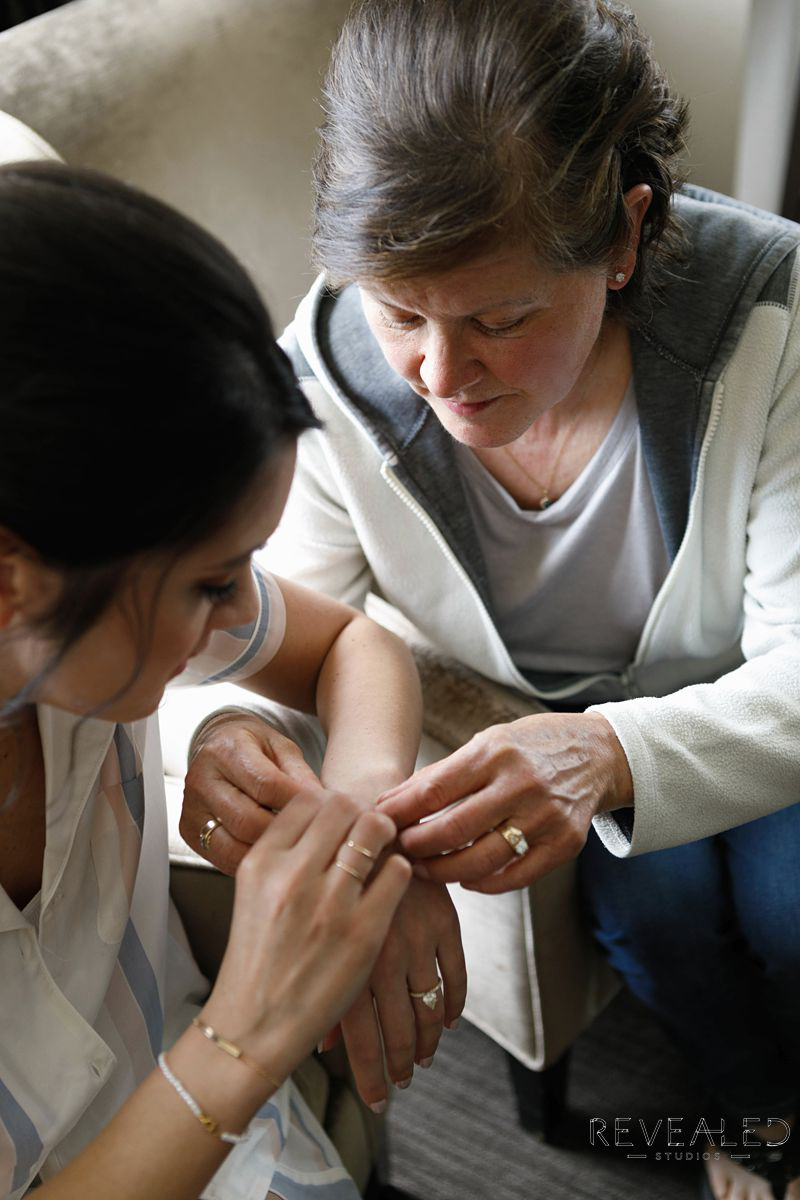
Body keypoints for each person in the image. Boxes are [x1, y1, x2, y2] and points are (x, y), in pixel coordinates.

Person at [182, 1, 800, 1197]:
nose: (439, 376)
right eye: (399, 311)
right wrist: (237, 739)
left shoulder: (770, 325)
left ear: (624, 238)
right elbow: (271, 619)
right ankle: (748, 1109)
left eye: (500, 320)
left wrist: (605, 752)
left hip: (745, 693)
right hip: (549, 717)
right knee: (657, 916)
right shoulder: (326, 371)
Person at [0, 159, 423, 1200]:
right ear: (11, 578)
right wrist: (249, 1027)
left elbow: (350, 649)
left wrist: (360, 826)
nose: (241, 616)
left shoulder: (76, 605)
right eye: (211, 582)